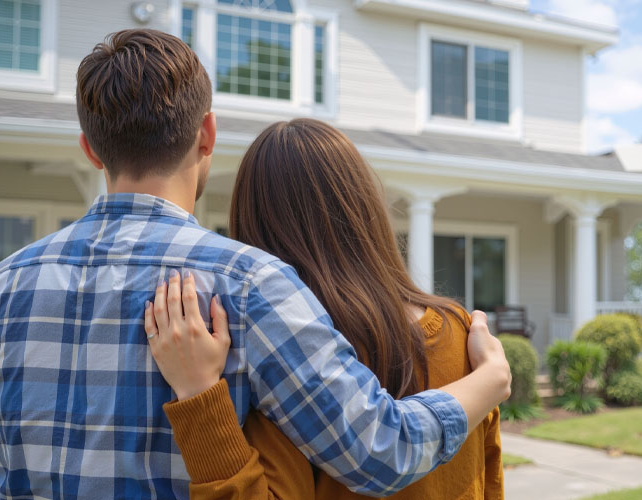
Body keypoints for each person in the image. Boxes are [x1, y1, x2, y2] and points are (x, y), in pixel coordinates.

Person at [0, 29, 510, 499]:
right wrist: (489, 380)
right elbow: (381, 454)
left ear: (90, 147)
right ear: (207, 135)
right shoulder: (252, 284)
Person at [146, 118, 505, 499]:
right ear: (363, 207)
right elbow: (490, 482)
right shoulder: (466, 336)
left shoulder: (289, 353)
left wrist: (201, 397)